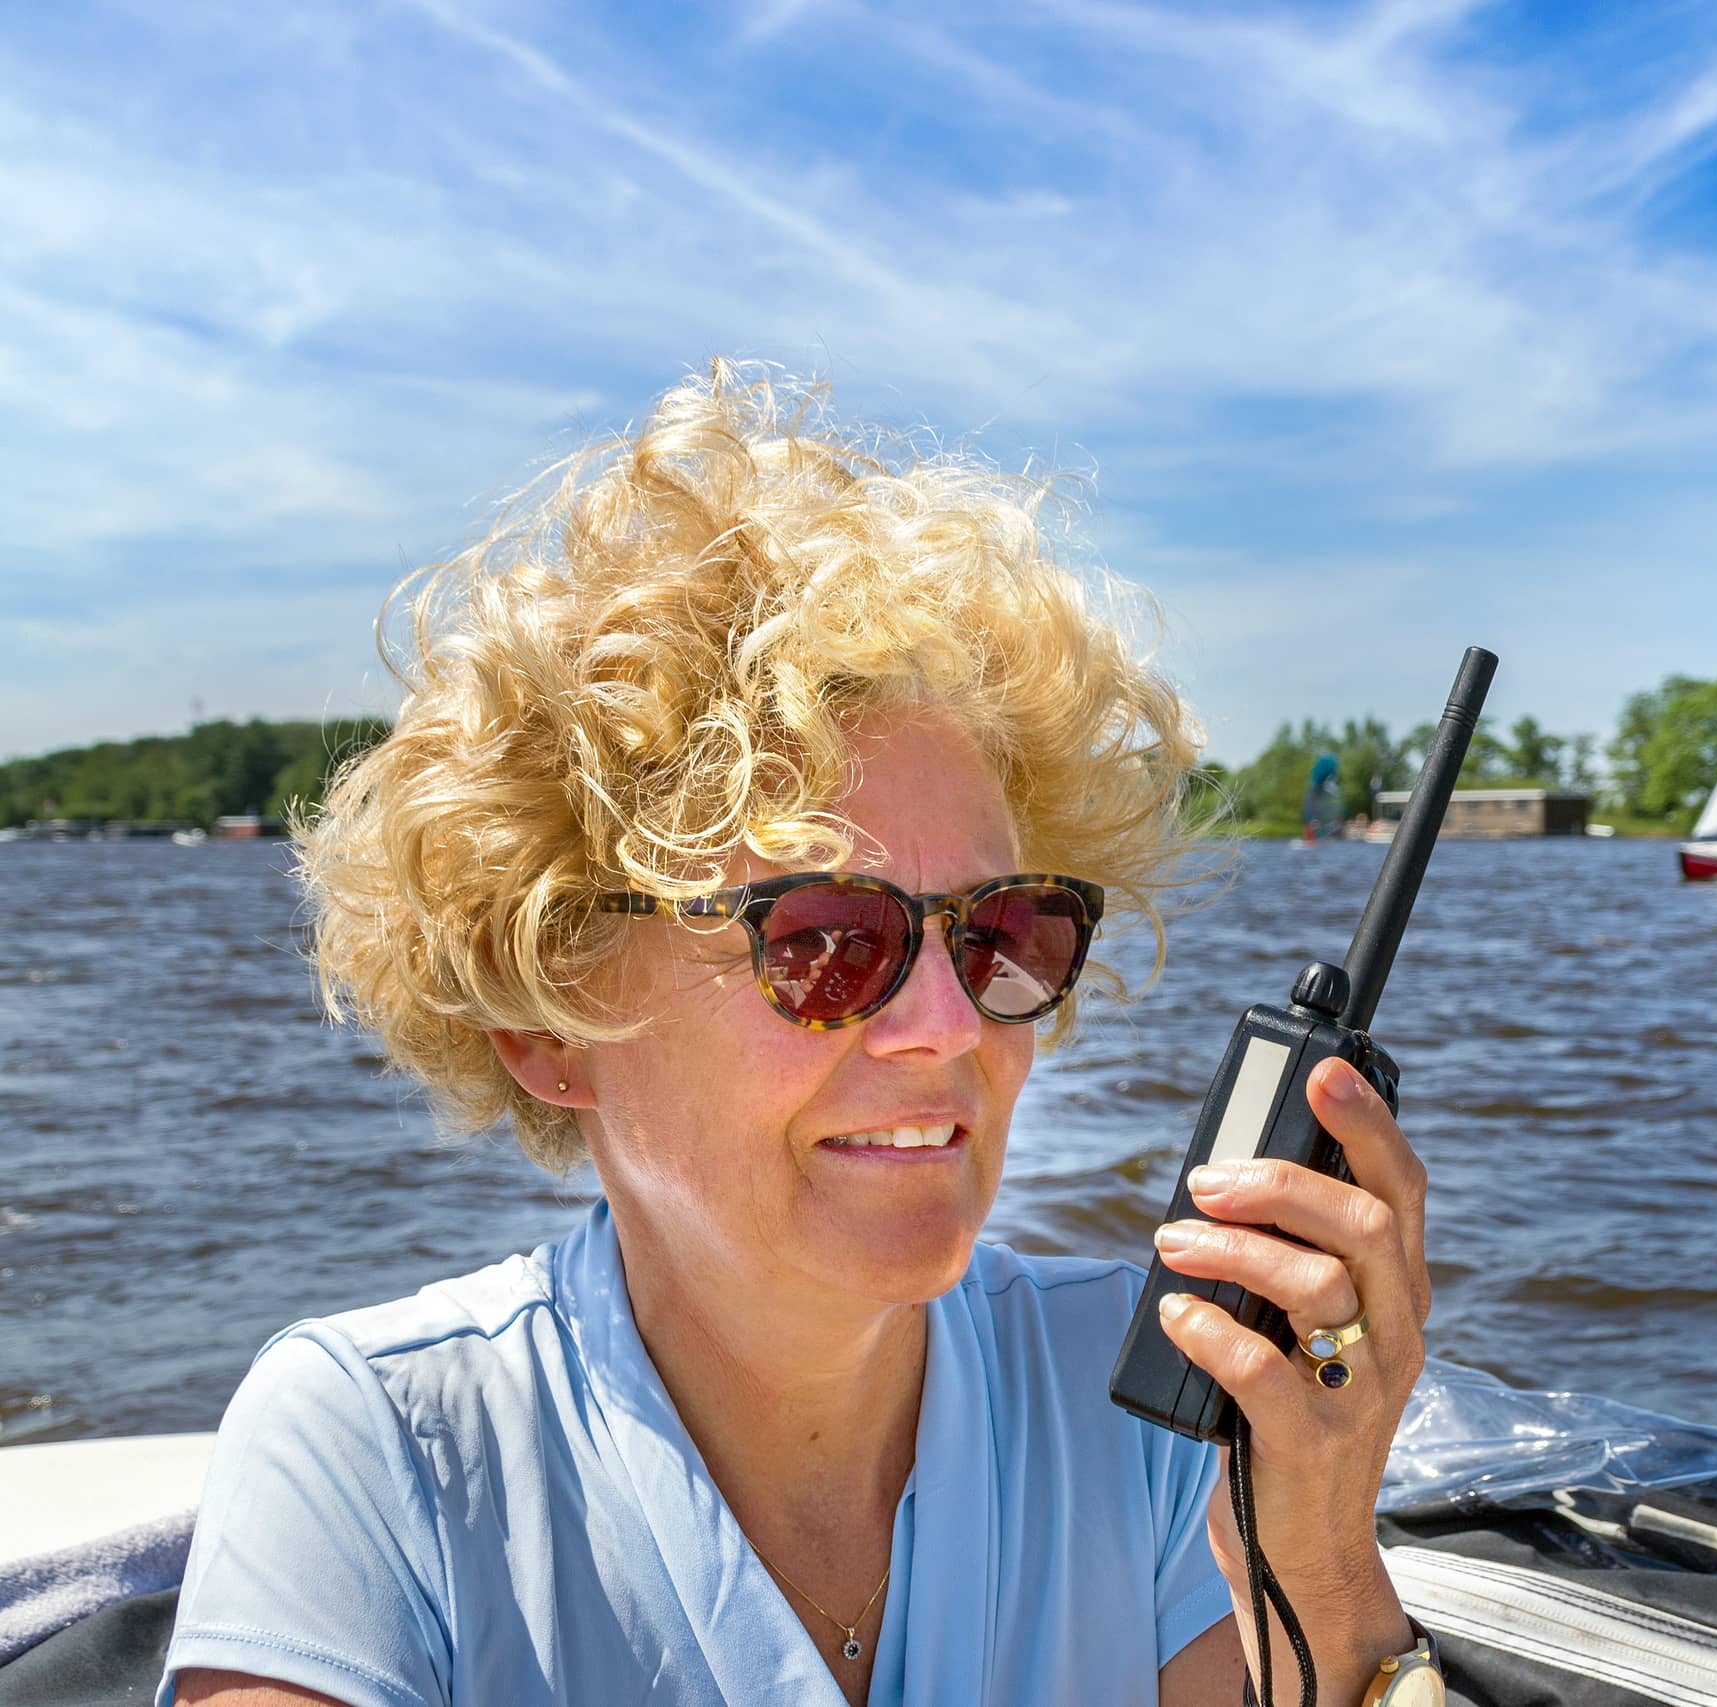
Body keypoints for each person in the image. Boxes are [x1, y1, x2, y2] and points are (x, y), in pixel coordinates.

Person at [163, 364, 1437, 1707]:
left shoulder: (1139, 1406)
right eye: (826, 941)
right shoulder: (380, 1452)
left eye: (1001, 931)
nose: (947, 1027)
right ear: (548, 1024)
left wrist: (1321, 1554)